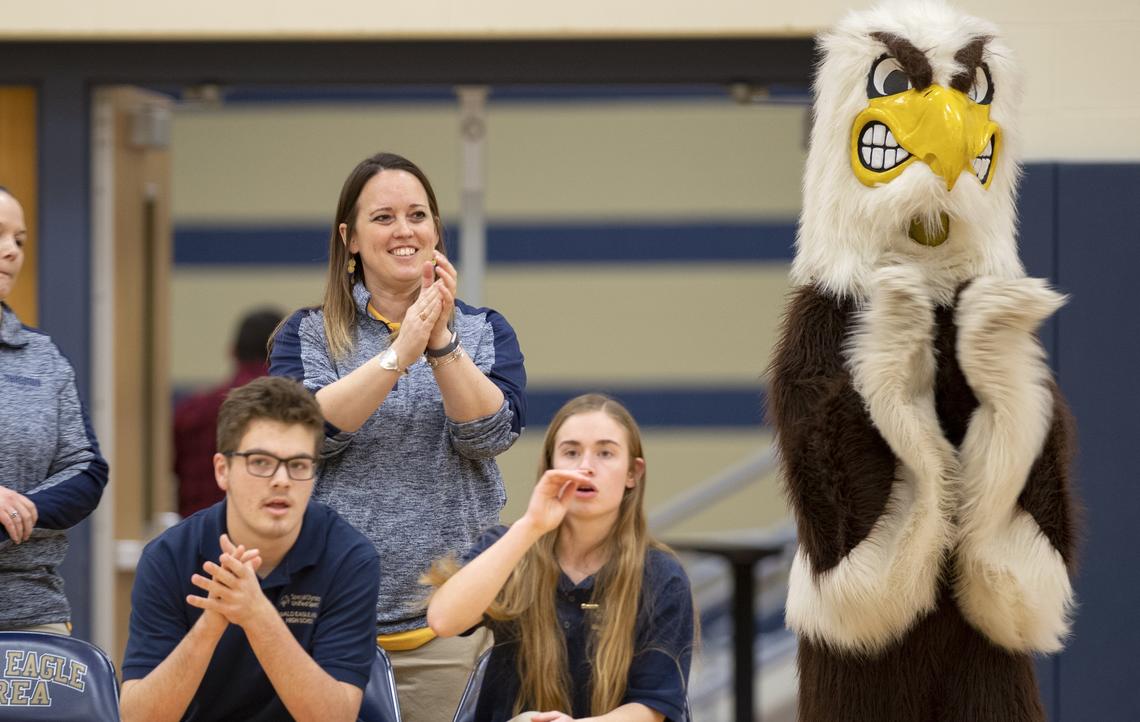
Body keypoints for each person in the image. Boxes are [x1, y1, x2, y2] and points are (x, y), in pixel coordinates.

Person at [270, 151, 527, 721]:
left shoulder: (485, 330)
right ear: (350, 238)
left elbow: (488, 435)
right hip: (327, 627)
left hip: (454, 630)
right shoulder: (306, 334)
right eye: (383, 218)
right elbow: (305, 433)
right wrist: (398, 353)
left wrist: (439, 343)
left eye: (418, 215)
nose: (404, 230)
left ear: (436, 230)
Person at [120, 377, 381, 722]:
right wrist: (212, 622)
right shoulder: (169, 556)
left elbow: (335, 717)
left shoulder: (350, 558)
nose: (281, 480)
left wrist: (256, 615)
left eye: (299, 465)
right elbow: (138, 718)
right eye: (261, 462)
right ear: (222, 470)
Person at [426, 394, 694, 722]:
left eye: (606, 453)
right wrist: (531, 526)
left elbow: (653, 708)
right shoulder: (509, 545)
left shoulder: (661, 574)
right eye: (571, 452)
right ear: (550, 466)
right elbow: (443, 620)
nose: (586, 466)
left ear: (632, 474)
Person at [0, 186, 109, 634]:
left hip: (33, 611)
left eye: (19, 240)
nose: (11, 252)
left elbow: (84, 472)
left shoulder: (42, 357)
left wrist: (13, 514)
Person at [174, 306, 285, 517]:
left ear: (231, 351)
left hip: (197, 536)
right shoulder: (293, 415)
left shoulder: (190, 412)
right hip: (268, 533)